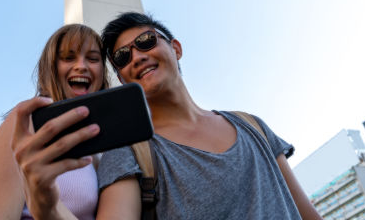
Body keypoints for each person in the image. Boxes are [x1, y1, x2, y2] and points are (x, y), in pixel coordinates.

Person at [93, 12, 322, 220]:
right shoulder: (127, 152)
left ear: (176, 48)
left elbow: (307, 214)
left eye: (146, 41)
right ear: (122, 79)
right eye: (122, 57)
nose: (136, 57)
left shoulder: (252, 125)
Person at [0, 24, 109, 220]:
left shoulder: (96, 149)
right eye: (68, 57)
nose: (81, 66)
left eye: (92, 59)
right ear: (50, 68)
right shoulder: (22, 127)